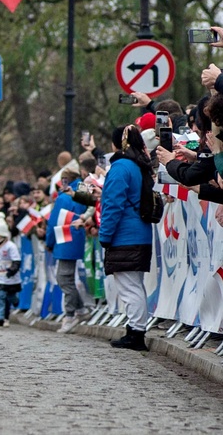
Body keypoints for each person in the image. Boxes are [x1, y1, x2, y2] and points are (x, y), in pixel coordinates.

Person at [99, 125, 153, 351]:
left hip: (125, 235)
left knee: (129, 286)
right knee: (134, 285)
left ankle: (136, 332)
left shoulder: (121, 167)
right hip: (138, 232)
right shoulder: (140, 165)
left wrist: (105, 234)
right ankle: (135, 329)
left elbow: (112, 204)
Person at [46, 159, 90, 333]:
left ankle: (71, 314)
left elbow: (53, 222)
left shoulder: (64, 196)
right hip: (76, 236)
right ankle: (80, 309)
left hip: (65, 237)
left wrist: (49, 242)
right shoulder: (83, 190)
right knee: (66, 277)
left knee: (64, 278)